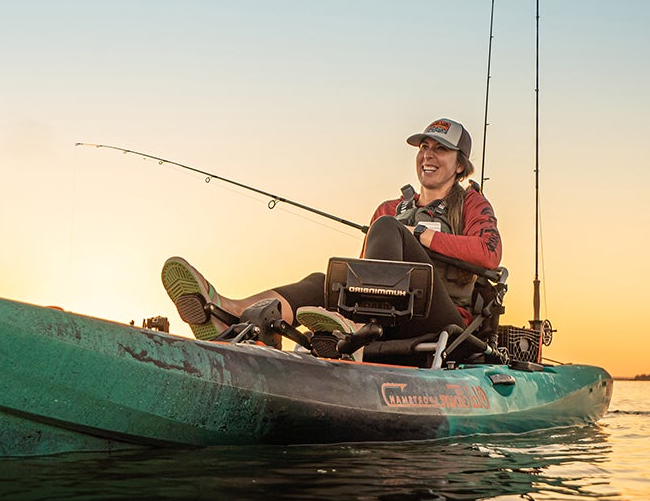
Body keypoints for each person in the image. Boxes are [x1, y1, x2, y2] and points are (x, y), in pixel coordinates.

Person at [161, 117, 502, 346]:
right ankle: (231, 314)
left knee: (387, 228)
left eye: (440, 149)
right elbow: (364, 274)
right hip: (386, 318)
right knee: (320, 282)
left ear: (460, 164)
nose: (428, 155)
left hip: (443, 320)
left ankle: (357, 333)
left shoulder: (471, 204)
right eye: (424, 147)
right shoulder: (390, 208)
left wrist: (423, 236)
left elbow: (489, 252)